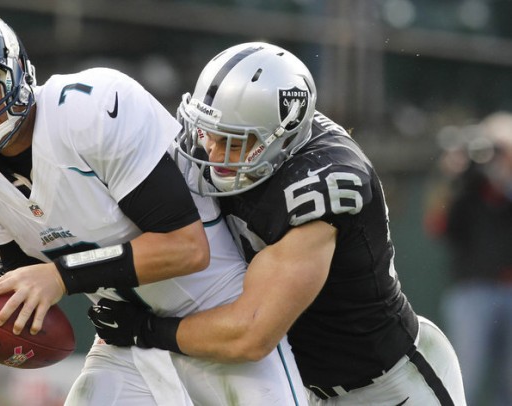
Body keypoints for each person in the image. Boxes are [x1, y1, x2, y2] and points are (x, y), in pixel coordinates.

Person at [0, 10, 306, 405]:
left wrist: (61, 276)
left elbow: (186, 248)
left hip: (215, 315)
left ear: (12, 70)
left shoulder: (89, 109)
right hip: (124, 340)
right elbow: (26, 268)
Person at [88, 42, 468, 405]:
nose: (213, 154)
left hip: (389, 387)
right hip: (305, 387)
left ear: (281, 137)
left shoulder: (321, 185)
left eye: (234, 143)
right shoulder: (235, 140)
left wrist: (145, 330)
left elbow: (252, 334)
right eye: (209, 134)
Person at [427, 113, 512, 406]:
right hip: (472, 292)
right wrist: (451, 176)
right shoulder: (466, 189)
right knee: (465, 378)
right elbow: (437, 225)